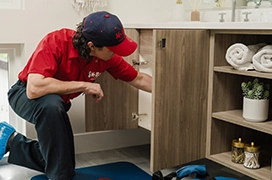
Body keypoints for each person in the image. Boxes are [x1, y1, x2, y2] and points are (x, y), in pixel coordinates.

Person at [0, 11, 152, 180]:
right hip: (24, 95)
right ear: (92, 46)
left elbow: (139, 79)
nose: (116, 53)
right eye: (113, 49)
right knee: (52, 106)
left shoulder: (106, 57)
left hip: (55, 107)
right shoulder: (56, 41)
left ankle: (10, 140)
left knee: (63, 163)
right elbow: (34, 88)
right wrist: (84, 85)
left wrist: (167, 93)